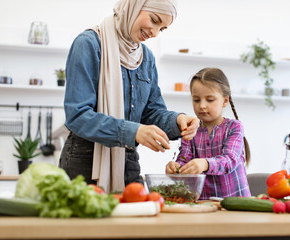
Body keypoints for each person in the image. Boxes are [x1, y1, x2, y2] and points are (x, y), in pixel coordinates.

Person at [59, 0, 200, 193]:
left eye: (163, 28)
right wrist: (133, 132)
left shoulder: (146, 58)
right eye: (154, 20)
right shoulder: (89, 44)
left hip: (128, 161)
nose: (155, 32)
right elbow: (78, 115)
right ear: (134, 6)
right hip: (84, 161)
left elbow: (152, 112)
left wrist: (178, 121)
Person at [165, 68, 251, 200]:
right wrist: (176, 168)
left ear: (225, 101)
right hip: (204, 204)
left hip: (237, 205)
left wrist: (205, 163)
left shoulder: (234, 127)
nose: (202, 106)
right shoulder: (190, 130)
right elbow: (184, 158)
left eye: (210, 99)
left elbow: (230, 160)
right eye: (196, 100)